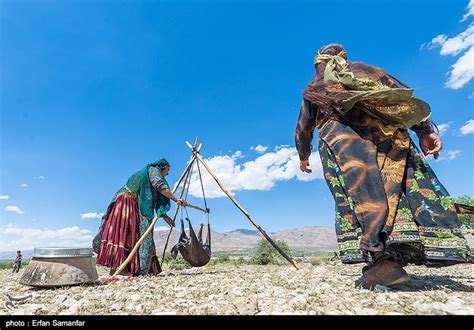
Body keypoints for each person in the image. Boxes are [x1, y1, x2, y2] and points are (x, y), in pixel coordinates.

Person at [295, 43, 472, 289]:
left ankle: (382, 262)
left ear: (318, 64)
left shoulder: (314, 88)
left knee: (361, 196)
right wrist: (425, 131)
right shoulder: (367, 71)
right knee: (399, 188)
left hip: (344, 147)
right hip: (390, 138)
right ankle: (408, 252)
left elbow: (304, 128)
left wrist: (303, 155)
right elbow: (402, 99)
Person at [93, 158, 187, 276]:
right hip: (126, 201)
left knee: (135, 235)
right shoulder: (153, 170)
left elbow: (156, 200)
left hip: (133, 203)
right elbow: (161, 187)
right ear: (162, 167)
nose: (167, 174)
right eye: (167, 170)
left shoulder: (151, 177)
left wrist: (165, 217)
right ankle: (121, 269)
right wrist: (176, 199)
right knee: (127, 234)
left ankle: (131, 269)